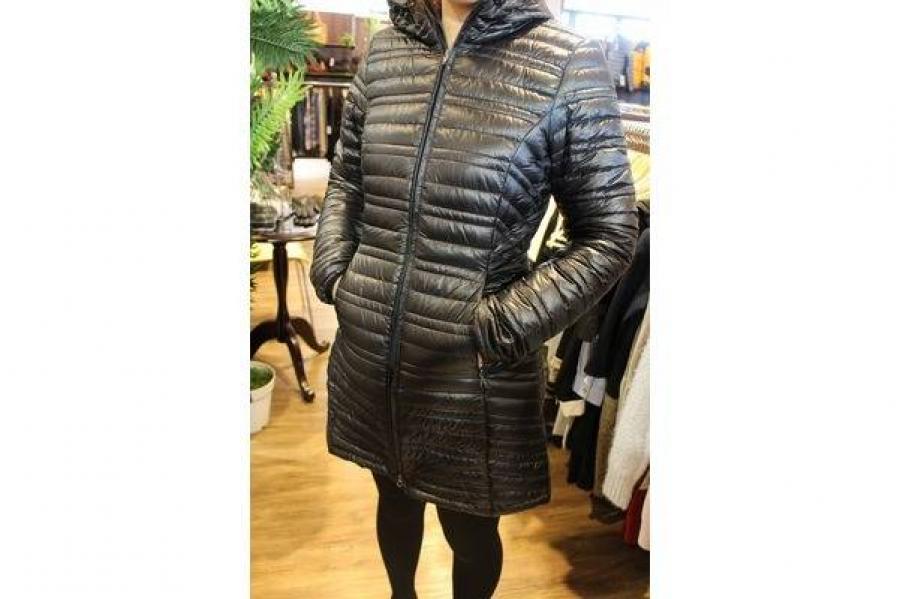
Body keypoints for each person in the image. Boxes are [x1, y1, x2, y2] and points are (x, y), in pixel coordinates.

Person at [309, 0, 638, 596]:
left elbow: (609, 234)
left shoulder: (566, 61)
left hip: (472, 372)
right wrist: (336, 270)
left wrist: (500, 325)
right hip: (371, 351)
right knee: (392, 496)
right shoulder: (386, 50)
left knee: (470, 527)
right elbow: (348, 179)